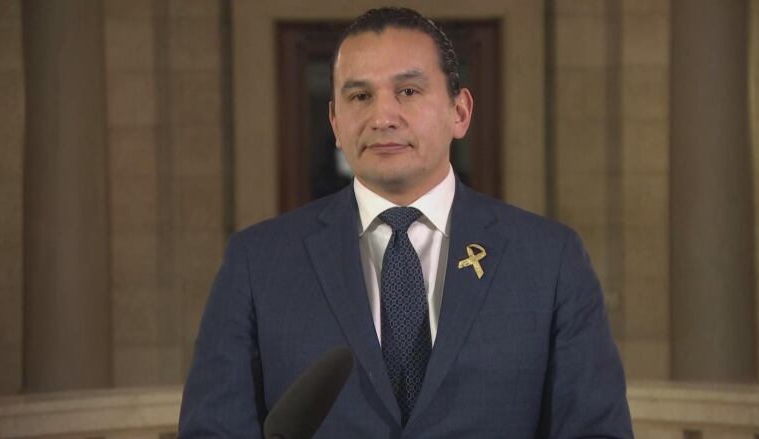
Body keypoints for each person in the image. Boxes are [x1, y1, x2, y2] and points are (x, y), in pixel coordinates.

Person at [179, 7, 633, 438]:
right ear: (335, 123)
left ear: (460, 112)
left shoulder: (550, 260)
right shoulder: (257, 263)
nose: (382, 117)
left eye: (408, 92)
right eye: (360, 96)